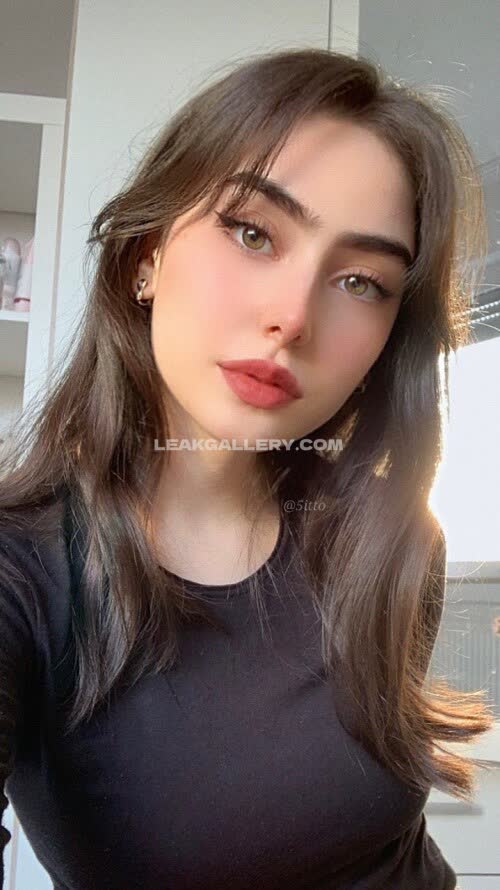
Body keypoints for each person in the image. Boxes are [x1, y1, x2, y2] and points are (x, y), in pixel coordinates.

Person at [0, 46, 494, 889]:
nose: (293, 317)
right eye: (253, 232)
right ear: (145, 254)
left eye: (361, 281)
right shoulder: (24, 573)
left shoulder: (394, 539)